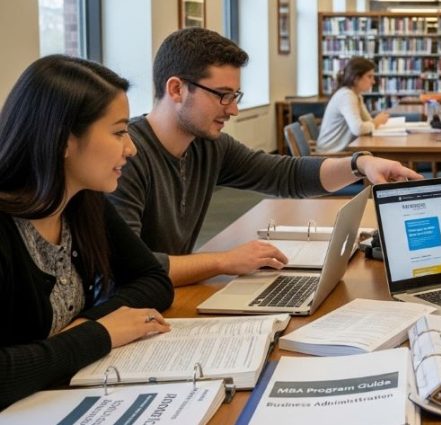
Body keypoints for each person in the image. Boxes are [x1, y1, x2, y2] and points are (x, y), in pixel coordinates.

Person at [108, 28, 421, 287]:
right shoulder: (125, 158)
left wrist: (359, 164)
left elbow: (286, 175)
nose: (233, 109)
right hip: (133, 312)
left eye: (236, 96)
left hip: (168, 299)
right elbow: (131, 269)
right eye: (223, 95)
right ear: (177, 89)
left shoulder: (207, 146)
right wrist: (223, 261)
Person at [0, 56, 174, 408]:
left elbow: (154, 280)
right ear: (64, 140)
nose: (132, 148)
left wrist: (85, 325)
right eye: (119, 131)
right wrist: (100, 333)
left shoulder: (83, 202)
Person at [315, 57, 391, 153]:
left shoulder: (356, 95)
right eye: (369, 76)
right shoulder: (346, 95)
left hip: (340, 151)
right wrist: (376, 122)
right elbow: (358, 129)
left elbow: (367, 121)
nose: (373, 81)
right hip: (330, 154)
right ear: (356, 78)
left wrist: (374, 122)